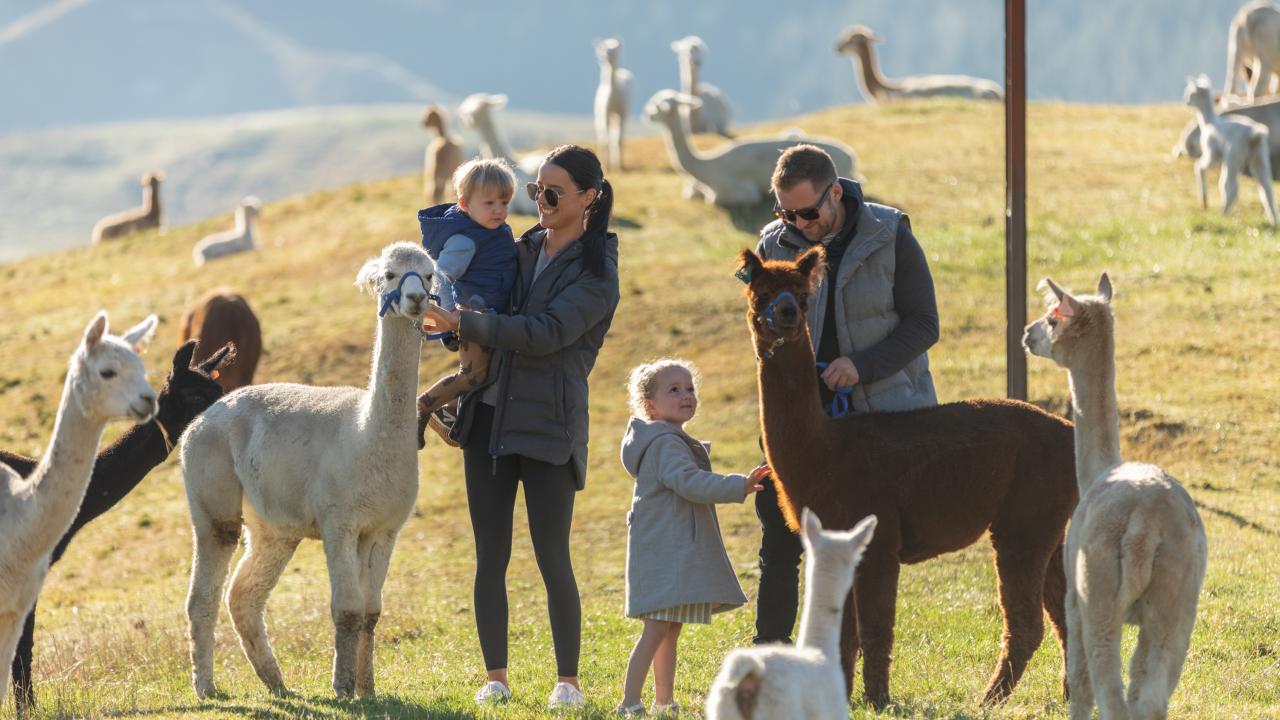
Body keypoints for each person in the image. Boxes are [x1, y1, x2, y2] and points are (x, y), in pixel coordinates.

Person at [422, 145, 620, 709]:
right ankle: (497, 679)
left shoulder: (596, 273)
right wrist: (462, 330)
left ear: (589, 198)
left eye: (552, 192)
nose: (539, 202)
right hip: (487, 418)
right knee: (491, 554)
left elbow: (543, 333)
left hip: (549, 427)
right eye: (536, 191)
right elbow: (491, 308)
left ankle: (569, 683)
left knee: (552, 555)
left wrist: (466, 320)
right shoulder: (522, 247)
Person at [752, 144, 940, 645]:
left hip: (879, 416)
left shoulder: (890, 234)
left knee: (869, 548)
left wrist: (862, 366)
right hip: (800, 419)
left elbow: (924, 324)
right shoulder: (773, 243)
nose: (798, 222)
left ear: (835, 192)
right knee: (781, 533)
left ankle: (854, 660)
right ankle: (771, 651)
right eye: (785, 212)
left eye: (808, 212)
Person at [616, 359, 768, 716]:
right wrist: (738, 485)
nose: (686, 396)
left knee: (669, 629)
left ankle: (664, 701)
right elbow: (689, 482)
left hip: (667, 550)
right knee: (656, 630)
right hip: (664, 553)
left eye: (689, 389)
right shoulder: (665, 444)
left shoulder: (669, 439)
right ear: (650, 405)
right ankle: (629, 702)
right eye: (674, 390)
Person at [415, 158, 518, 449]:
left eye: (504, 202)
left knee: (486, 371)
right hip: (470, 316)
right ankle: (422, 408)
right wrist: (449, 321)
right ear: (464, 204)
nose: (499, 210)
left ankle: (448, 412)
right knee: (474, 375)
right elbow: (442, 276)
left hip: (487, 316)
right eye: (489, 203)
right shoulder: (466, 241)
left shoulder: (491, 230)